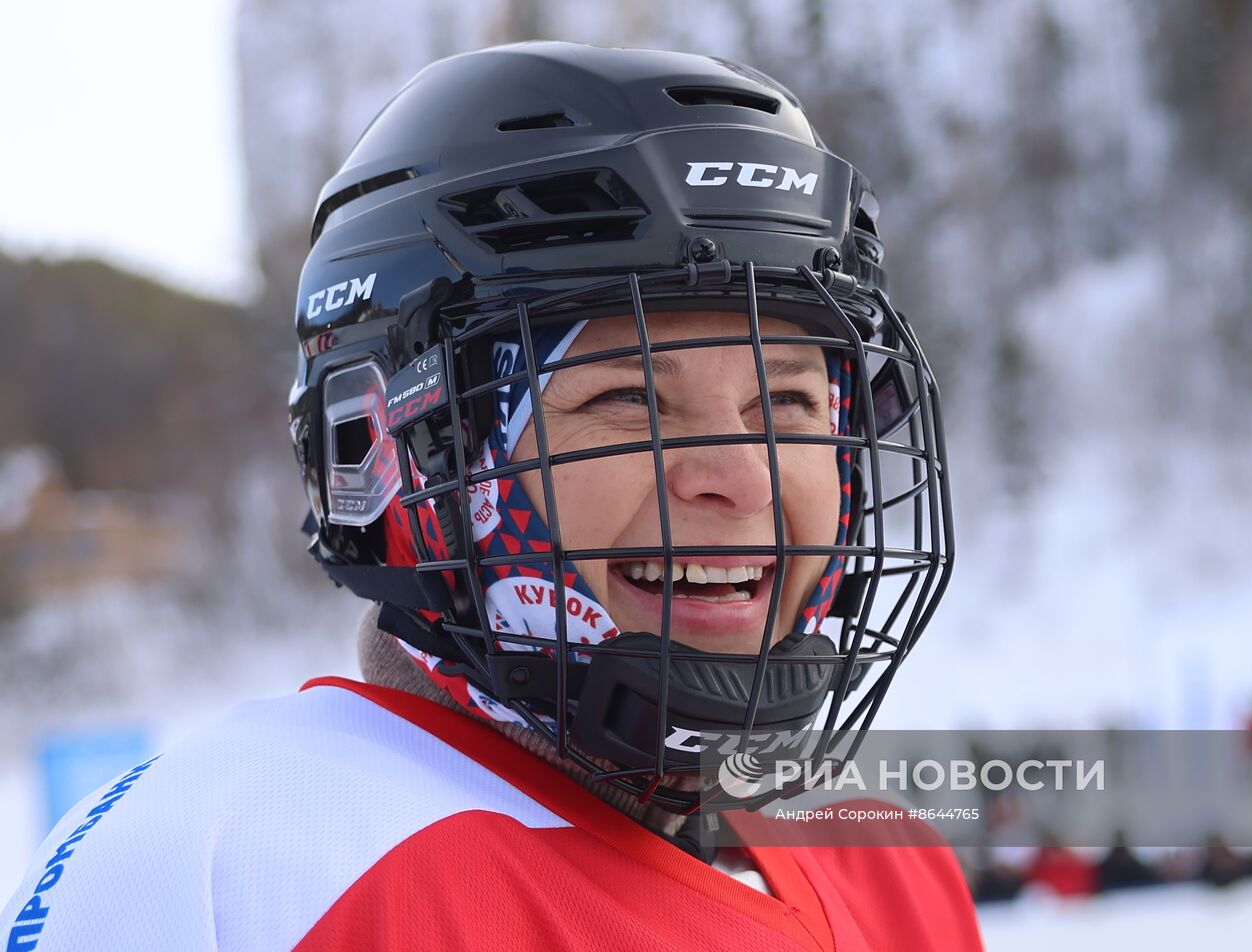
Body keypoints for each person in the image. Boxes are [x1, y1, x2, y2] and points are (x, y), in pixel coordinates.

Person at [4, 42, 979, 950]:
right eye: (628, 397)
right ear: (393, 453)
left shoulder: (880, 857)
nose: (742, 477)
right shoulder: (243, 868)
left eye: (790, 403)